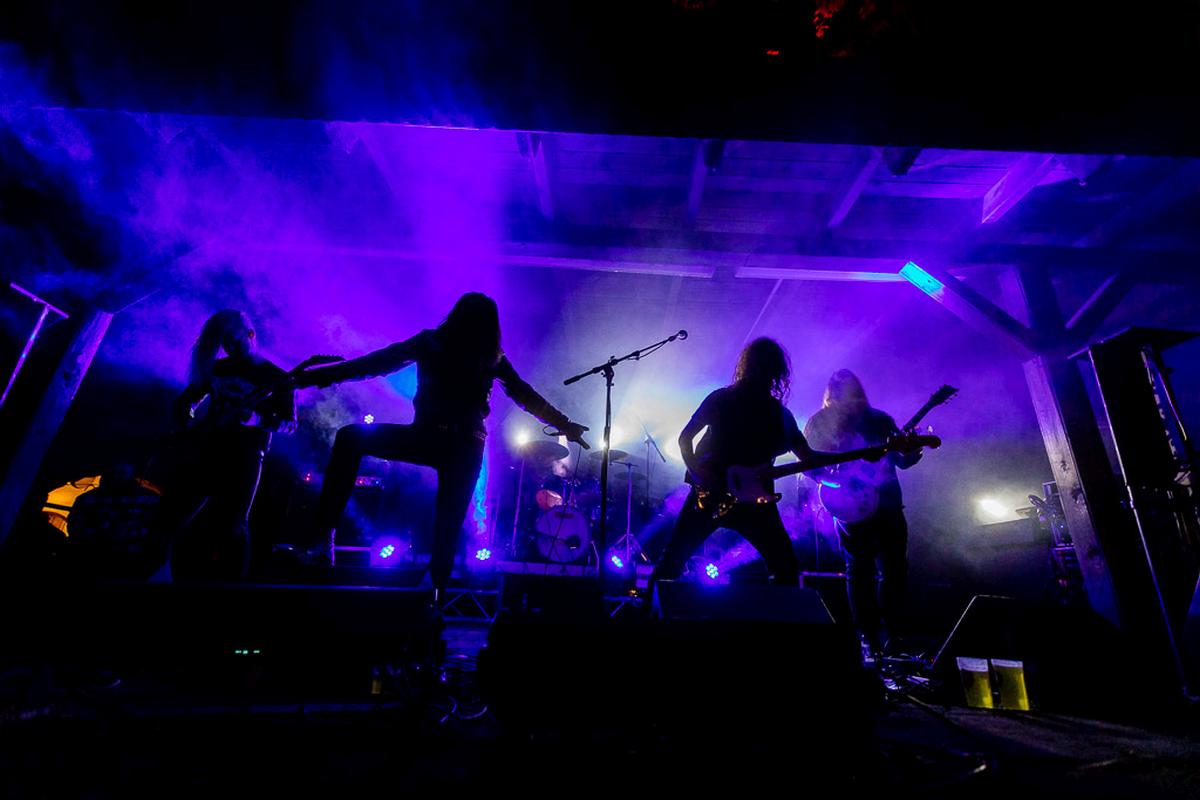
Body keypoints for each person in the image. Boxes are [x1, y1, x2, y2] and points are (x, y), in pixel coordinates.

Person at [296, 293, 589, 593]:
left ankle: (322, 539)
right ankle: (432, 602)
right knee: (448, 529)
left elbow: (375, 364)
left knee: (350, 439)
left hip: (428, 437)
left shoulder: (433, 342)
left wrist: (315, 377)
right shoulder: (491, 355)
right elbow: (525, 395)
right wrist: (565, 425)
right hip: (466, 447)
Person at [649, 338, 823, 592]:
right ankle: (781, 617)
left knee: (671, 562)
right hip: (725, 497)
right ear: (778, 373)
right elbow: (808, 457)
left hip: (731, 497)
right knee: (785, 568)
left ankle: (648, 614)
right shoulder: (769, 411)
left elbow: (685, 438)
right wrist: (700, 475)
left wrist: (700, 475)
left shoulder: (729, 400)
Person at [156, 309, 296, 581]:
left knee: (234, 523)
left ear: (250, 334)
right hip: (208, 448)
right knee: (178, 515)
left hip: (246, 454)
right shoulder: (219, 369)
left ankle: (233, 590)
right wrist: (186, 421)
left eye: (234, 340)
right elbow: (187, 401)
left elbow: (290, 425)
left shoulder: (276, 376)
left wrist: (256, 419)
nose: (230, 347)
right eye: (225, 342)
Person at [803, 369, 921, 656]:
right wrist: (837, 481)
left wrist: (912, 453)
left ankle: (893, 636)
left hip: (888, 502)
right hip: (850, 506)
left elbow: (901, 461)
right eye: (843, 392)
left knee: (894, 569)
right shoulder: (820, 422)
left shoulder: (879, 420)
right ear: (832, 394)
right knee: (860, 571)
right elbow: (809, 466)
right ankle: (869, 638)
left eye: (853, 390)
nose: (850, 397)